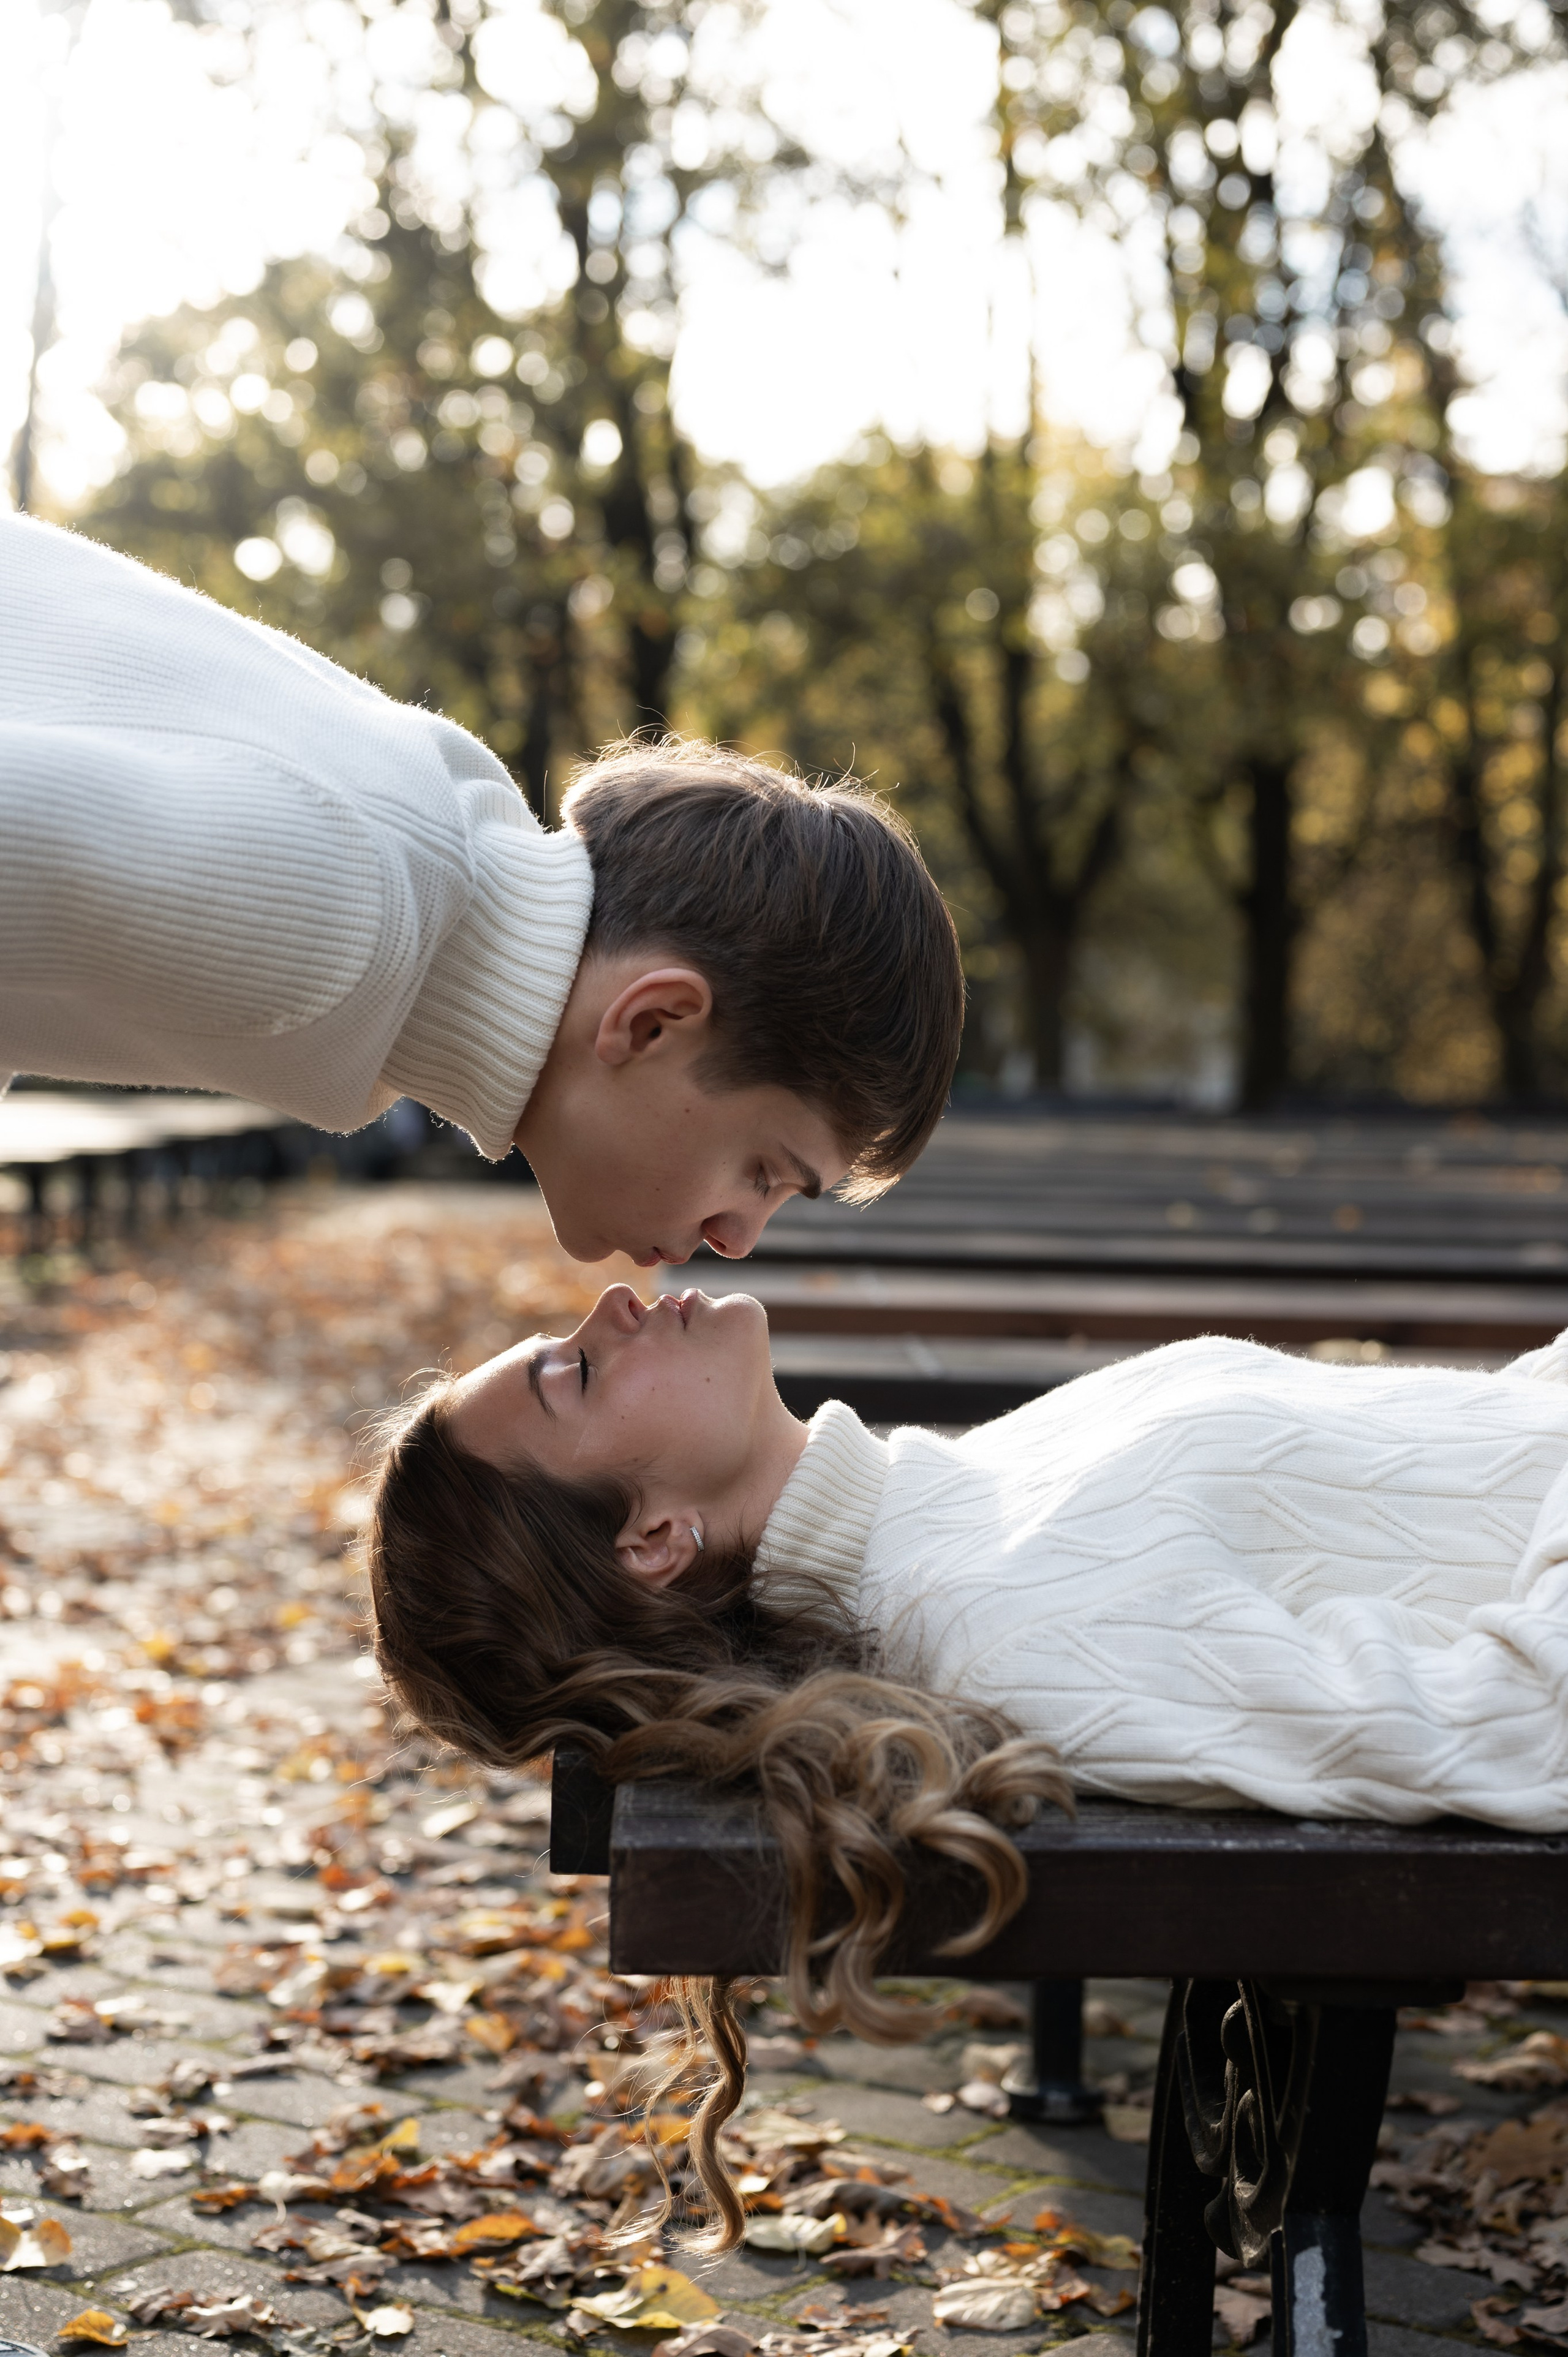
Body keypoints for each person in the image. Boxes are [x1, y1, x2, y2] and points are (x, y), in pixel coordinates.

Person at [364, 1280, 1568, 2238]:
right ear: (651, 1542)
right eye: (575, 1371)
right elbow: (1524, 1722)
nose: (613, 1304)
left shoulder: (958, 1498)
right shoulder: (1011, 1624)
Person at [0, 513, 963, 1267]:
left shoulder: (409, 882)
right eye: (763, 1173)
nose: (738, 1240)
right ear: (653, 1022)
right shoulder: (346, 907)